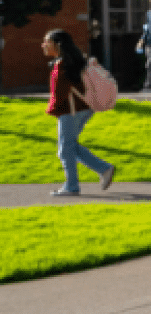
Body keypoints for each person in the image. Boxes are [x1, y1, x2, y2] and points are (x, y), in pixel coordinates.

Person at [43, 29, 116, 196]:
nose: (43, 45)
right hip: (84, 109)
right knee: (69, 146)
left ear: (57, 45)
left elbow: (59, 94)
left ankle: (72, 186)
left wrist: (51, 109)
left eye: (46, 42)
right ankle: (104, 169)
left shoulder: (62, 65)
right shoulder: (76, 61)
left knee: (65, 149)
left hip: (72, 110)